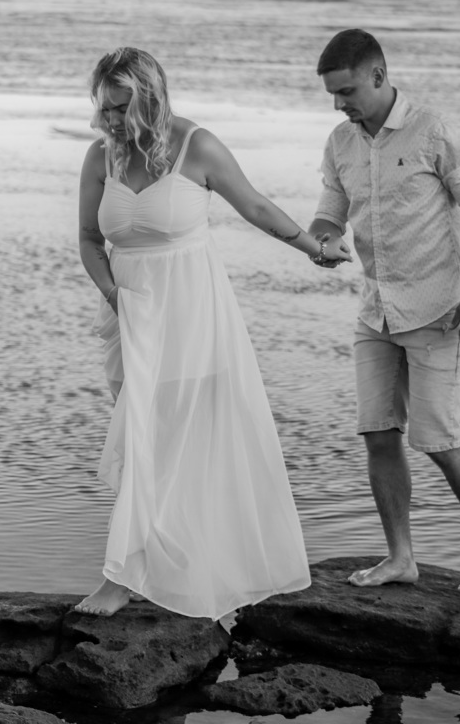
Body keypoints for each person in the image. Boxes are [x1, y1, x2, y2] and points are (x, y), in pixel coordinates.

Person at [75, 47, 349, 619]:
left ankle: (127, 576)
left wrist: (314, 248)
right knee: (140, 441)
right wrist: (113, 296)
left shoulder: (196, 145)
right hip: (129, 315)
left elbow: (253, 205)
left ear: (151, 98)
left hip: (192, 312)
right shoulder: (100, 155)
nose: (113, 121)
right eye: (106, 108)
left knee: (176, 441)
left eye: (123, 108)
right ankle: (146, 565)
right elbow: (88, 239)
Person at [308, 29, 460, 592]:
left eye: (347, 91)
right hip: (375, 313)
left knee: (438, 439)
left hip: (437, 309)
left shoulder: (435, 131)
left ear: (378, 75)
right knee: (377, 433)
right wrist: (323, 240)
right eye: (332, 95)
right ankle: (401, 557)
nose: (340, 104)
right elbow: (331, 209)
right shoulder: (341, 141)